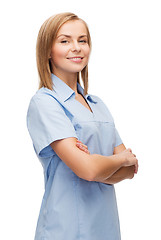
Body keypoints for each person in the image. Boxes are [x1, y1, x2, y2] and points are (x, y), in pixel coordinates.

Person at [27, 12, 138, 240]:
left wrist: (96, 165)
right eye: (65, 40)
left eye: (83, 40)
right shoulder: (45, 102)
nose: (76, 47)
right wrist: (119, 159)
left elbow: (130, 170)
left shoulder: (98, 105)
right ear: (48, 50)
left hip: (106, 229)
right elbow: (91, 169)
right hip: (66, 229)